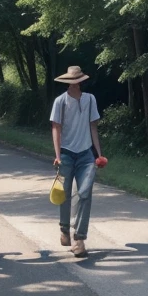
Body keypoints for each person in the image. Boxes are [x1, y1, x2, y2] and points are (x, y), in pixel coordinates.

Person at [50, 66, 107, 258]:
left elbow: (93, 128)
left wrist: (99, 154)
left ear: (81, 80)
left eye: (77, 79)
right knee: (64, 194)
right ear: (67, 81)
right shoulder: (60, 102)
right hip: (66, 154)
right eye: (71, 79)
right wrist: (57, 155)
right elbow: (56, 129)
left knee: (84, 194)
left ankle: (80, 239)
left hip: (86, 155)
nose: (74, 82)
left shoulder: (90, 99)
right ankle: (64, 229)